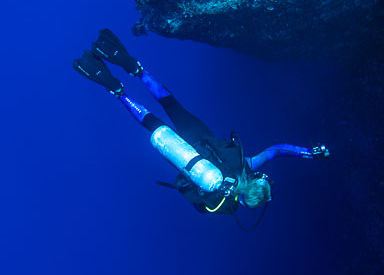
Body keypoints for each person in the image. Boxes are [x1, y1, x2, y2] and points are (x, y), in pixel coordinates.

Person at [73, 29, 330, 223]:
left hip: (197, 133)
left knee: (170, 103)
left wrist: (310, 153)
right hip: (180, 152)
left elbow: (277, 150)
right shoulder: (224, 205)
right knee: (151, 122)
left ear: (255, 180)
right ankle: (117, 91)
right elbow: (197, 203)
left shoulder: (245, 165)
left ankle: (136, 69)